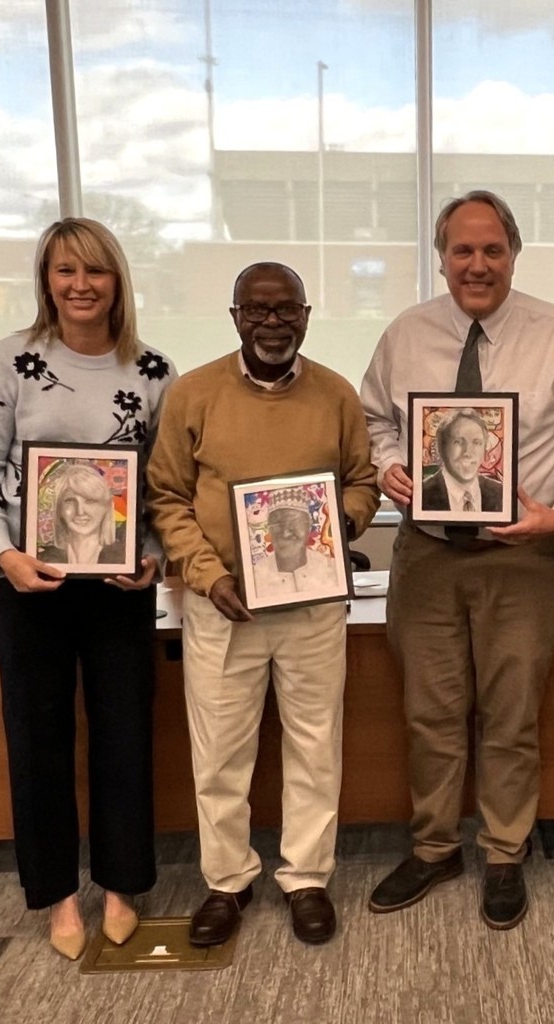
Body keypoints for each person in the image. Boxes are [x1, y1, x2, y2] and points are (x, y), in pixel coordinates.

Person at [360, 189, 554, 930]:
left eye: (492, 250)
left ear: (514, 254)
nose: (478, 264)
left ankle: (505, 851)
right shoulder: (406, 334)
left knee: (510, 714)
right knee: (430, 711)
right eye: (462, 250)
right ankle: (435, 845)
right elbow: (377, 419)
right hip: (429, 556)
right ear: (442, 257)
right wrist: (388, 468)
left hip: (524, 561)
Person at [147, 261, 378, 948]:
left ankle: (307, 877)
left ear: (307, 315)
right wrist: (206, 573)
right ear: (235, 316)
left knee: (315, 746)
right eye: (257, 310)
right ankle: (227, 880)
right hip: (222, 605)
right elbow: (166, 496)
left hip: (310, 608)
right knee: (219, 753)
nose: (272, 323)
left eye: (286, 311)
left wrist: (336, 529)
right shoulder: (194, 394)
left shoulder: (336, 395)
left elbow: (363, 484)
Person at [0, 217, 176, 960]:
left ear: (118, 281)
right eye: (65, 271)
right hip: (31, 587)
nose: (80, 286)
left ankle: (122, 886)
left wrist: (150, 555)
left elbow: (163, 488)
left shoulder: (152, 372)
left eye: (95, 271)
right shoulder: (10, 361)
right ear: (46, 280)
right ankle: (58, 895)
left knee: (125, 738)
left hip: (119, 591)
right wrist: (5, 559)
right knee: (38, 742)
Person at [251, 490, 337, 599]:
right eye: (277, 524)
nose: (285, 533)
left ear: (308, 526)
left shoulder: (330, 569)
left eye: (294, 523)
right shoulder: (255, 578)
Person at [37, 462, 125, 566]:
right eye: (70, 501)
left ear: (106, 508)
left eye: (90, 501)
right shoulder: (42, 560)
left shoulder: (123, 559)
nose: (80, 511)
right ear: (59, 509)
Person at [421, 407, 504, 513]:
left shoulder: (500, 493)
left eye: (476, 442)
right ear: (441, 448)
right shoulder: (422, 494)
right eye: (458, 442)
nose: (468, 452)